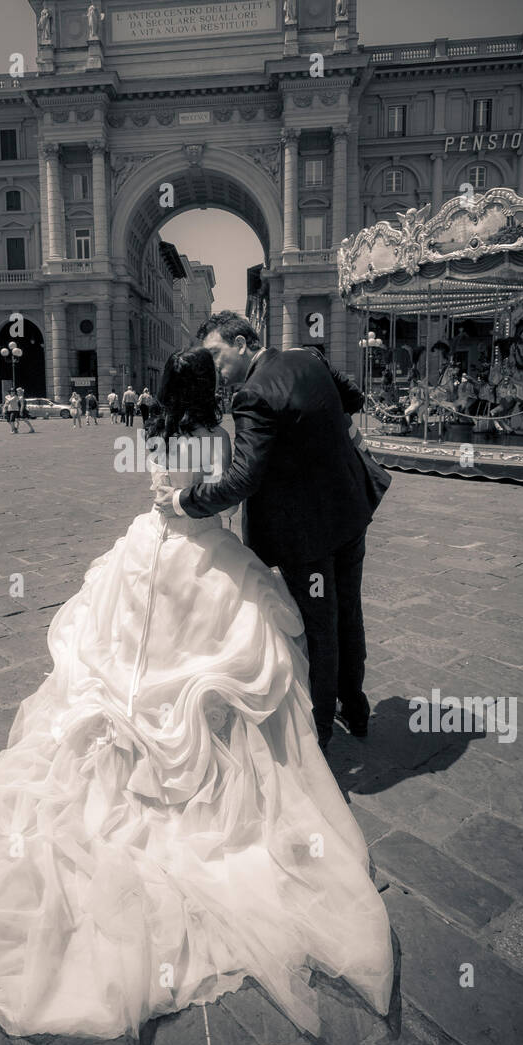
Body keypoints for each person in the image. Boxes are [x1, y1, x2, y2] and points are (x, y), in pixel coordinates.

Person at [0, 345, 393, 1045]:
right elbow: (235, 483)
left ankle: (263, 720)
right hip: (225, 549)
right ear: (213, 387)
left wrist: (172, 498)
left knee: (123, 659)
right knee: (287, 639)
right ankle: (329, 716)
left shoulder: (160, 432)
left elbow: (182, 489)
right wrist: (198, 499)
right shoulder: (231, 422)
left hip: (152, 552)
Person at [155, 311, 376, 751]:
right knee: (348, 609)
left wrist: (181, 501)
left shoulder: (252, 394)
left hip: (307, 530)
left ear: (241, 342)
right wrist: (322, 439)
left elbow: (241, 481)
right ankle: (354, 706)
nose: (214, 367)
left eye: (216, 354)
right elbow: (353, 398)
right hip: (350, 507)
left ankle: (321, 730)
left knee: (320, 623)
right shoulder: (308, 358)